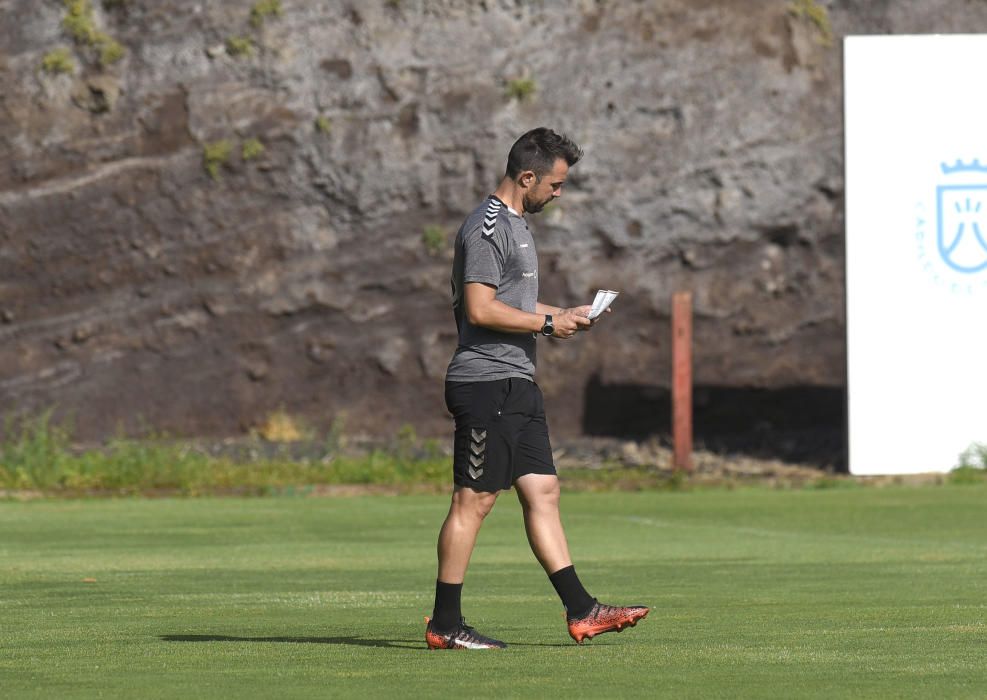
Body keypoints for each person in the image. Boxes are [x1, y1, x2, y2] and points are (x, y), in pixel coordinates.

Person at [425, 127, 649, 650]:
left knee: (543, 491)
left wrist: (563, 313)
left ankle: (582, 610)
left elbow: (516, 305)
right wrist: (546, 327)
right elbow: (480, 310)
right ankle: (445, 623)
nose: (559, 193)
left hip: (518, 383)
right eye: (555, 183)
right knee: (474, 501)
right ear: (526, 177)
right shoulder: (487, 228)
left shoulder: (519, 225)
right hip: (485, 383)